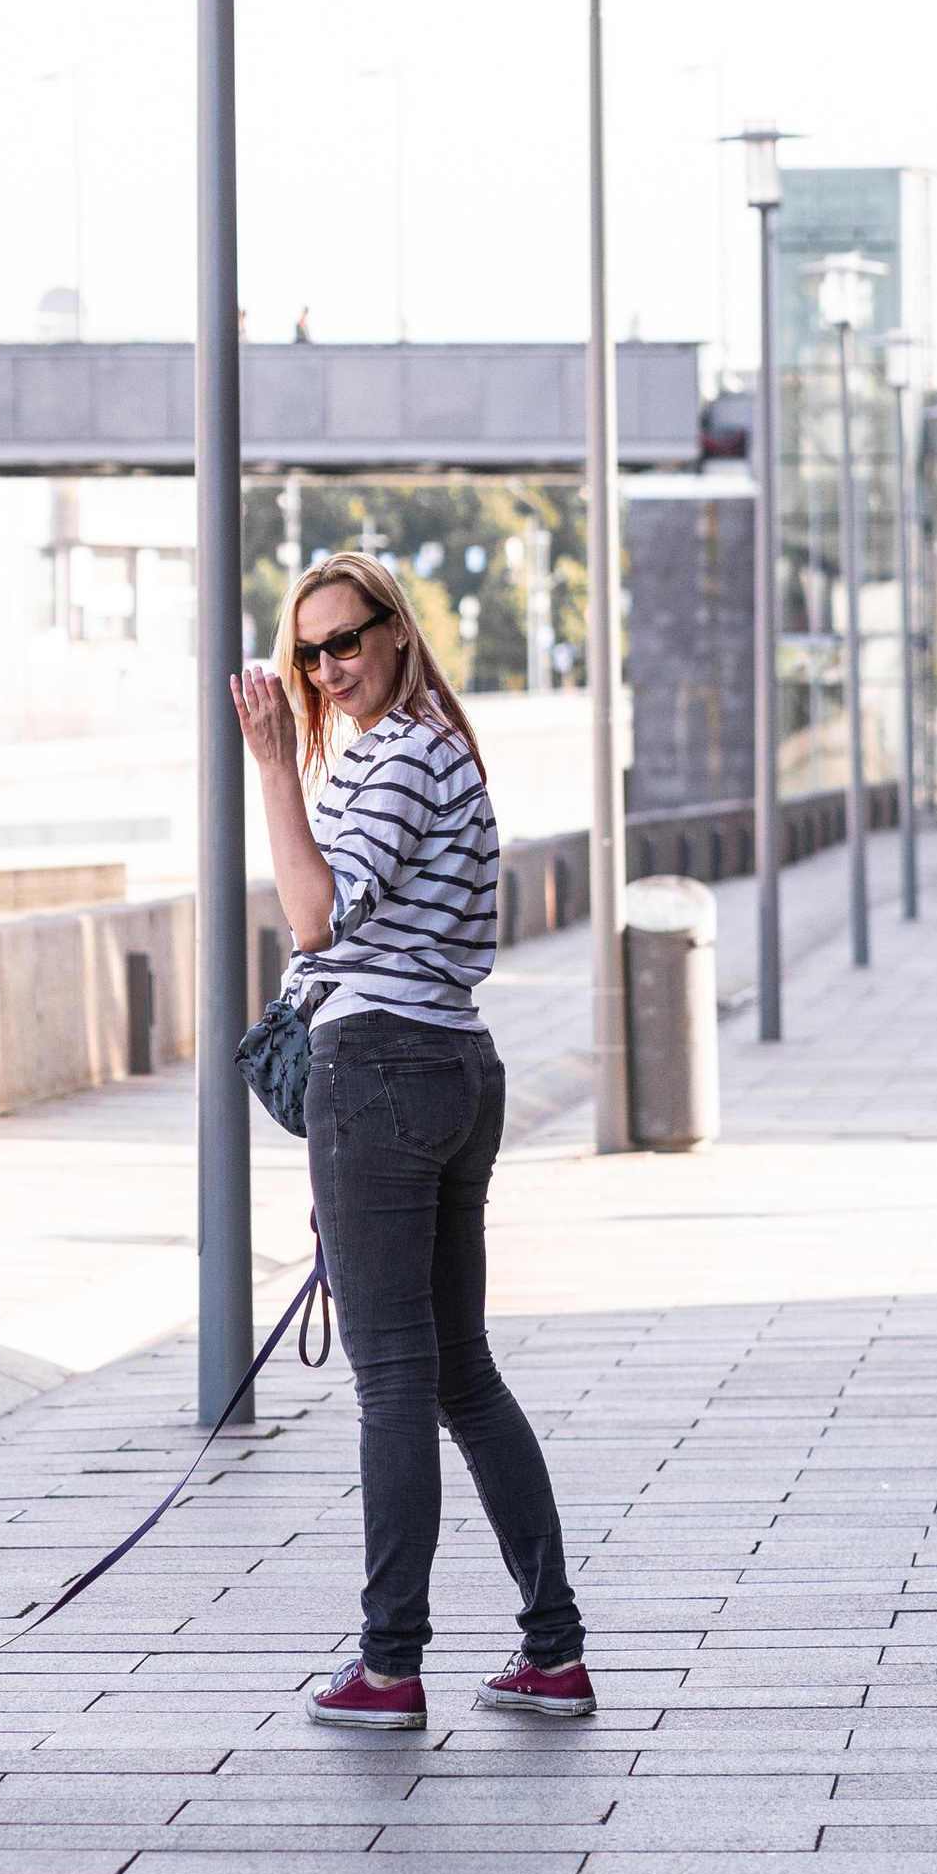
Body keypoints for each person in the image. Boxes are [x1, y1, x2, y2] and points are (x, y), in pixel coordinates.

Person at [232, 551, 590, 1728]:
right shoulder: (434, 747)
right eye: (308, 654)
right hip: (448, 1063)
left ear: (396, 630)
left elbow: (316, 915)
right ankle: (552, 1650)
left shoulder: (396, 757)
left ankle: (389, 1667)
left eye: (345, 641)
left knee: (394, 1380)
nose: (327, 669)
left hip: (383, 1069)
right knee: (458, 1374)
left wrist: (273, 769)